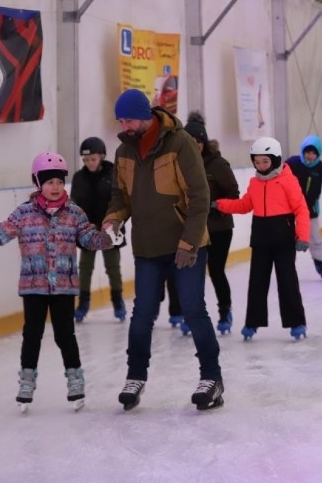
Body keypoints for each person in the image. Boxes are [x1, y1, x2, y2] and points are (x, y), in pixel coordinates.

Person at [103, 88, 223, 412]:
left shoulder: (179, 142)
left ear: (144, 116)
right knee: (142, 314)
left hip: (187, 246)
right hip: (147, 248)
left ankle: (212, 378)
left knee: (194, 310)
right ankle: (135, 376)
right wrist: (112, 222)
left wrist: (189, 243)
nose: (124, 125)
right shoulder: (123, 153)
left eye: (128, 119)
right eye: (120, 120)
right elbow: (120, 198)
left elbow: (200, 197)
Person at [0, 152, 114, 411]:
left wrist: (107, 238)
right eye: (49, 182)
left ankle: (75, 380)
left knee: (65, 335)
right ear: (38, 183)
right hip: (33, 286)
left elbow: (88, 239)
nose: (55, 187)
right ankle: (27, 381)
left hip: (63, 285)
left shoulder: (74, 213)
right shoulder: (24, 213)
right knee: (32, 335)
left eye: (60, 182)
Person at [215, 137, 310, 342]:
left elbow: (301, 209)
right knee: (257, 282)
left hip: (284, 240)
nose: (261, 166)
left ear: (275, 160)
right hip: (261, 239)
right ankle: (252, 322)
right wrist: (220, 205)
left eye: (265, 161)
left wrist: (303, 235)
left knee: (287, 282)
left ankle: (296, 322)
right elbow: (244, 205)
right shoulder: (255, 183)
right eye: (257, 162)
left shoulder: (287, 180)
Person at [184, 112, 241, 334]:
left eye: (197, 141)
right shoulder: (181, 163)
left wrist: (215, 204)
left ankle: (225, 311)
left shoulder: (217, 164)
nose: (194, 146)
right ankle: (193, 316)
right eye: (189, 142)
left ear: (203, 142)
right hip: (195, 228)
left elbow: (234, 194)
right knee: (193, 273)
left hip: (219, 228)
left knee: (216, 270)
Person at [70, 136, 126, 322]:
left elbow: (120, 201)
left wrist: (115, 222)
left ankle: (118, 301)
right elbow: (74, 204)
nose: (89, 163)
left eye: (92, 159)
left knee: (113, 267)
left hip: (110, 228)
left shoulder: (113, 175)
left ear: (101, 156)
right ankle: (83, 303)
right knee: (85, 267)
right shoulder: (79, 178)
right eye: (86, 160)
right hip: (87, 231)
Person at [285, 135, 322, 282]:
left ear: (318, 154)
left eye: (313, 153)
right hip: (288, 210)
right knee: (287, 239)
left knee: (315, 239)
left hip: (311, 210)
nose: (310, 156)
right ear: (302, 151)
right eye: (307, 152)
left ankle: (321, 266)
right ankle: (287, 268)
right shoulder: (292, 163)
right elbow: (278, 180)